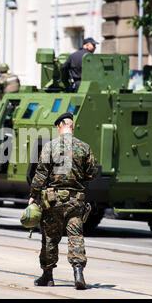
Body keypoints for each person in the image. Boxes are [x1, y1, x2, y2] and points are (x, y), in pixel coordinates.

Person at [28, 112, 97, 290]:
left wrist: (33, 195)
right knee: (75, 235)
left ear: (60, 126)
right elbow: (92, 173)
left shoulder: (50, 147)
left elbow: (40, 174)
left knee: (50, 237)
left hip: (53, 201)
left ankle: (48, 276)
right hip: (75, 201)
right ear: (72, 126)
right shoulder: (84, 147)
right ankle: (78, 272)